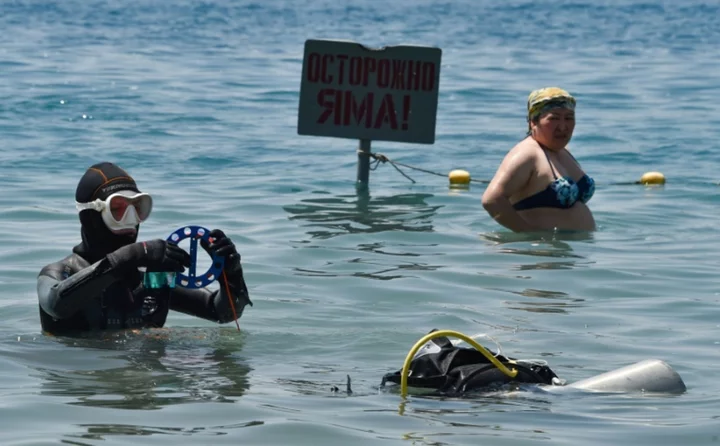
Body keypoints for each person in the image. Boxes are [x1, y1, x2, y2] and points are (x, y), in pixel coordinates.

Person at [36, 162, 252, 335]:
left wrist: (230, 275)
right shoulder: (60, 272)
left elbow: (220, 312)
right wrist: (131, 256)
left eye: (137, 208)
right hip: (83, 383)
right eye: (118, 209)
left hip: (144, 382)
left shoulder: (149, 276)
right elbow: (56, 304)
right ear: (90, 217)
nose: (131, 221)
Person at [482, 87, 596, 232]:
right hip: (541, 251)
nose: (563, 126)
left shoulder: (562, 151)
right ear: (533, 122)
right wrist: (529, 235)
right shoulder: (527, 154)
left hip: (568, 250)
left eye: (569, 118)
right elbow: (491, 200)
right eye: (553, 118)